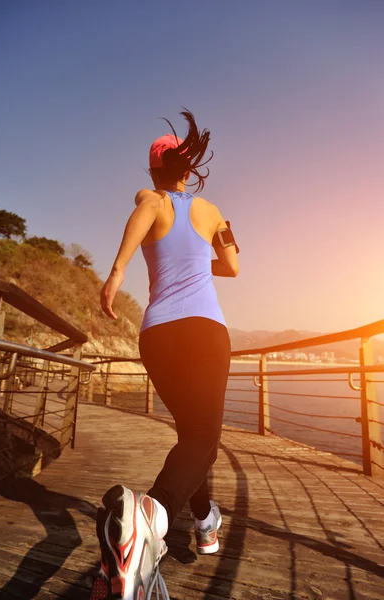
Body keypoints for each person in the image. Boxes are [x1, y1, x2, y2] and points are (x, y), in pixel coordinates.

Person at [93, 109, 239, 600]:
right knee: (203, 438)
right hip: (204, 333)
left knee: (192, 436)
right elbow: (233, 266)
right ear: (187, 168)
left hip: (158, 335)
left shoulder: (150, 198)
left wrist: (117, 273)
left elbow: (142, 216)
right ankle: (151, 518)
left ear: (154, 169)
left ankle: (204, 521)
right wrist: (201, 255)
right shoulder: (214, 212)